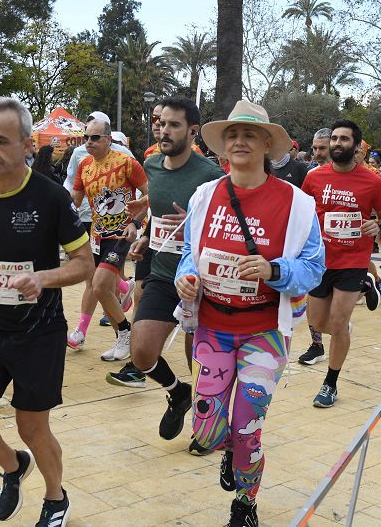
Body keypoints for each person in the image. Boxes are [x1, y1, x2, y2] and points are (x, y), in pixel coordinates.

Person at [175, 100, 324, 527]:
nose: (239, 142)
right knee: (207, 430)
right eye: (232, 135)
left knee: (246, 425)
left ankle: (245, 503)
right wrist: (186, 277)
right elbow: (190, 252)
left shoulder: (296, 205)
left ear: (265, 144)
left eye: (249, 135)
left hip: (265, 332)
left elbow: (313, 269)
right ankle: (228, 452)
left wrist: (274, 269)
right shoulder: (205, 195)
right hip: (212, 328)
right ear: (224, 147)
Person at [0, 98, 91, 527]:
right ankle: (13, 466)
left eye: (2, 141)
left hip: (39, 333)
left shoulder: (50, 197)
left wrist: (42, 279)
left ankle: (55, 496)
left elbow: (85, 264)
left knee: (33, 427)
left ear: (28, 145)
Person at [105, 98, 222, 439]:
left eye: (173, 125)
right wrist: (145, 237)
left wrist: (194, 226)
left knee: (195, 356)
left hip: (198, 280)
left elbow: (223, 226)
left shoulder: (210, 176)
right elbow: (157, 215)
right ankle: (177, 392)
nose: (163, 130)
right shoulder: (153, 165)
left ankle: (206, 422)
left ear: (193, 131)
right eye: (160, 123)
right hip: (161, 271)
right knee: (142, 354)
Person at [301, 120, 381, 408]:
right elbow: (302, 214)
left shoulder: (372, 181)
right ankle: (371, 284)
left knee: (339, 323)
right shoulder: (315, 177)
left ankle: (330, 384)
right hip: (320, 260)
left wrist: (377, 225)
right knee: (318, 322)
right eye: (335, 139)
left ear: (356, 146)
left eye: (344, 139)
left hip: (353, 260)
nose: (337, 143)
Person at [71, 117, 148, 361]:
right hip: (97, 235)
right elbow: (73, 200)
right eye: (86, 138)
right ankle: (122, 338)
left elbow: (150, 195)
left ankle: (125, 333)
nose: (88, 142)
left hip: (122, 233)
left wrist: (136, 224)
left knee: (101, 284)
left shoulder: (127, 163)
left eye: (94, 138)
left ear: (108, 138)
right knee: (104, 290)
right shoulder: (84, 165)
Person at [297, 128, 332, 367]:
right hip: (315, 246)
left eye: (323, 148)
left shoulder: (355, 172)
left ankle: (371, 282)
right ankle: (317, 344)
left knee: (334, 306)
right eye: (315, 148)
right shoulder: (311, 173)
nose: (317, 153)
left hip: (346, 249)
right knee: (312, 296)